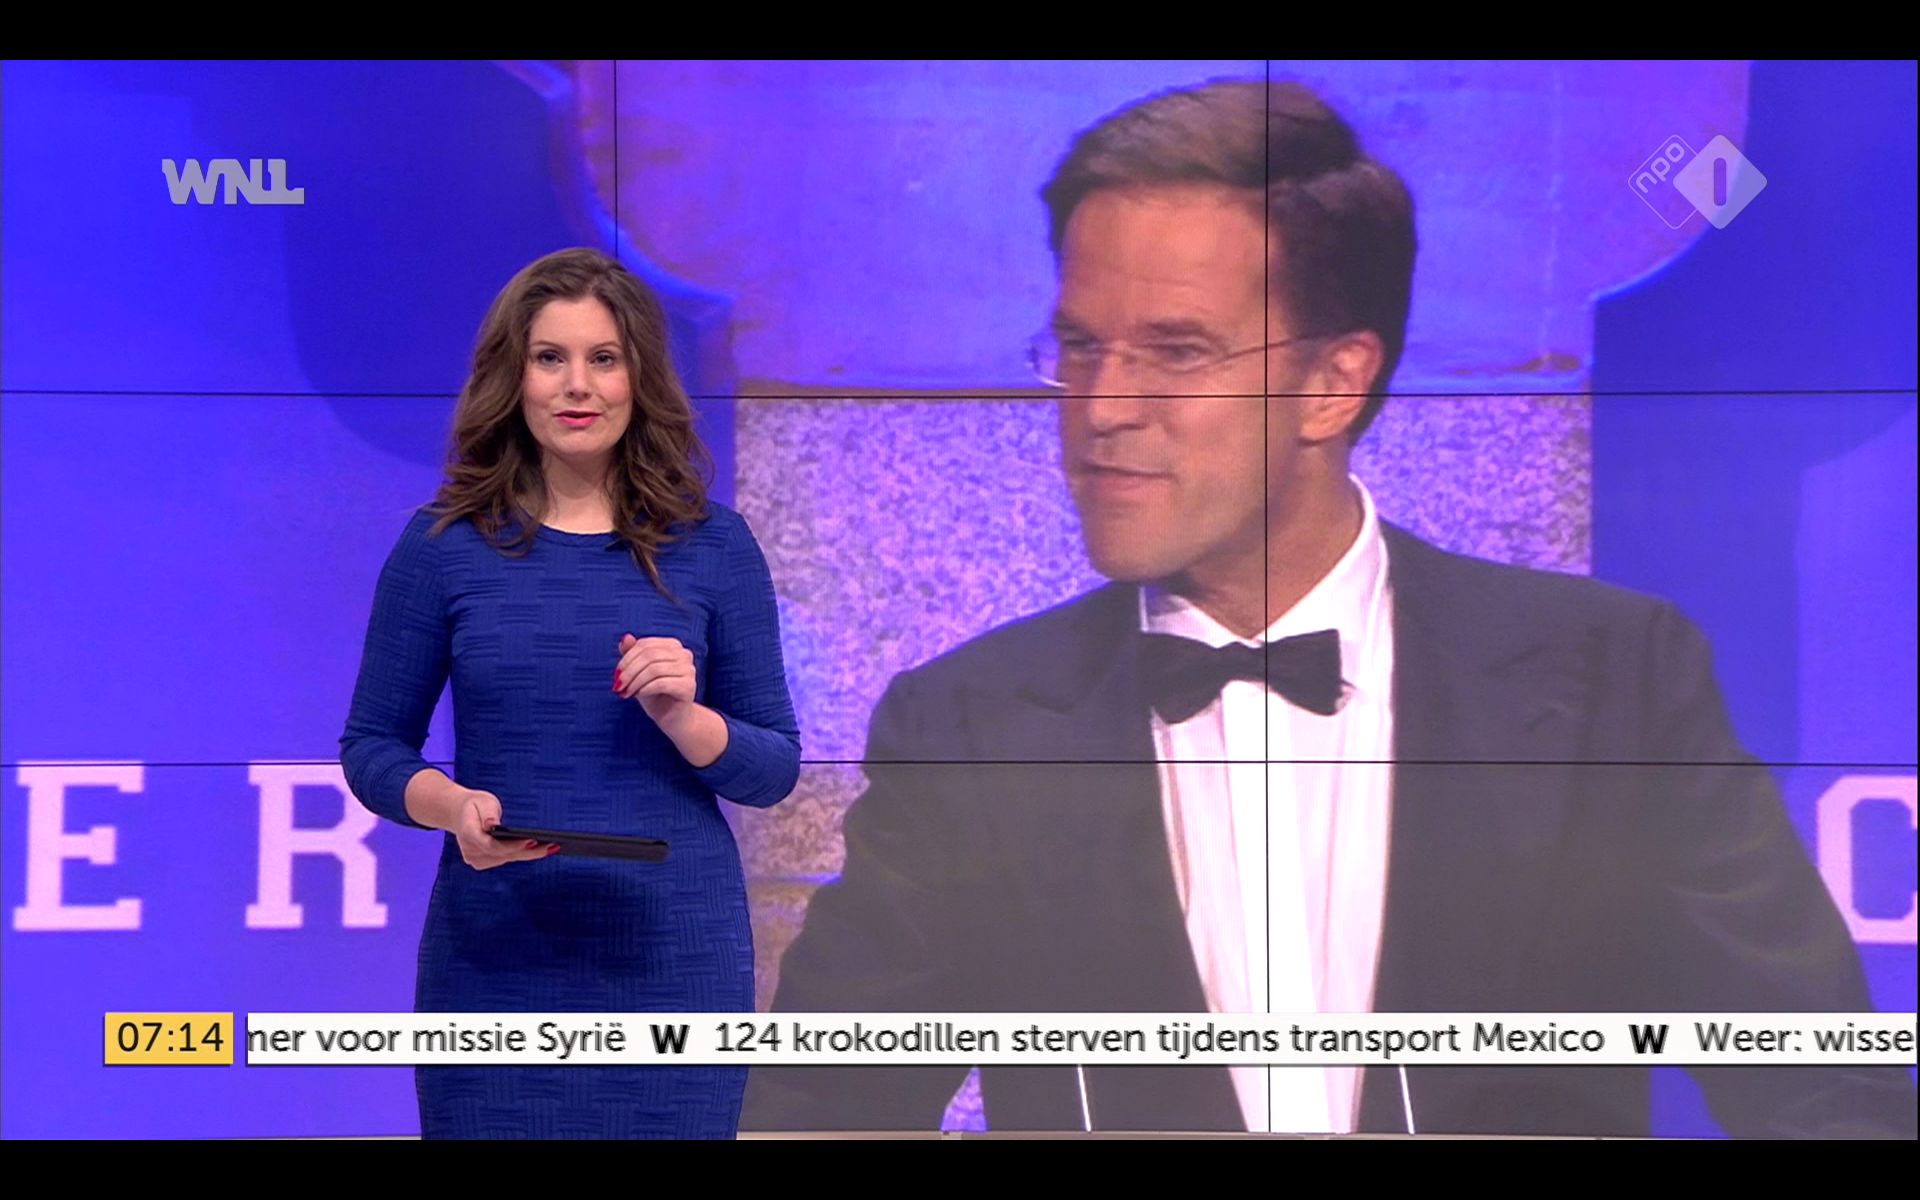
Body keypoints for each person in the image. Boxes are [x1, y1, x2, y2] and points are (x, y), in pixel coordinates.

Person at [743, 81, 1915, 1137]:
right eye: (1083, 347)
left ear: (1334, 382)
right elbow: (817, 1109)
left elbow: (1822, 1089)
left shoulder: (1617, 682)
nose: (1100, 408)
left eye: (1176, 352)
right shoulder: (971, 729)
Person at [341, 247, 801, 1139]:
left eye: (604, 358)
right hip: (496, 952)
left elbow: (773, 768)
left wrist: (687, 718)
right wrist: (454, 808)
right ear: (513, 378)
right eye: (550, 358)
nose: (576, 385)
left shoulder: (715, 547)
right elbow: (372, 748)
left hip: (672, 952)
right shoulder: (442, 547)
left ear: (640, 377)